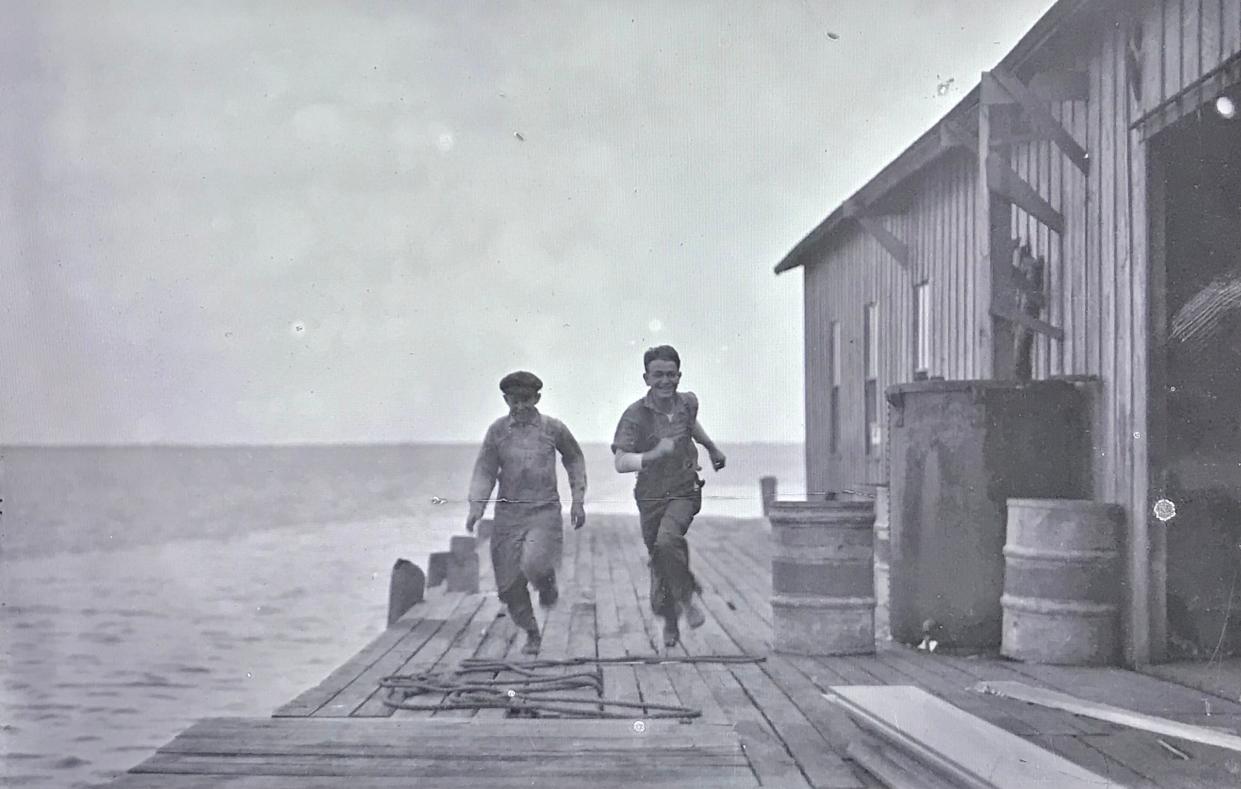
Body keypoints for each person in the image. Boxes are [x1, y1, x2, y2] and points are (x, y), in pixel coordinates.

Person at [611, 345, 726, 648]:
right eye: (658, 375)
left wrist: (711, 448)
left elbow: (692, 426)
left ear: (679, 376)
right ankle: (671, 619)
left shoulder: (688, 403)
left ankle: (687, 601)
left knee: (666, 541)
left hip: (685, 489)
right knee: (661, 556)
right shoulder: (635, 415)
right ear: (646, 378)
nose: (665, 381)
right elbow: (620, 461)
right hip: (649, 495)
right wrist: (651, 455)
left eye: (671, 375)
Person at [466, 371, 587, 655]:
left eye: (526, 400)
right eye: (514, 401)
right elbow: (485, 470)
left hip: (543, 511)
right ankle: (531, 631)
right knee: (508, 586)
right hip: (508, 515)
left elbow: (574, 458)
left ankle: (546, 582)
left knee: (534, 562)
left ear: (537, 398)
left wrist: (578, 499)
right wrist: (476, 506)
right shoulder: (497, 431)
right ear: (506, 399)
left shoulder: (552, 429)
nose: (520, 407)